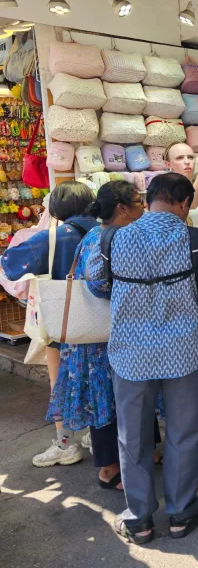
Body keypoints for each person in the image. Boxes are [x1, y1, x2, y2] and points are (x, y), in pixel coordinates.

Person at [86, 173, 198, 544]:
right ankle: (183, 514)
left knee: (132, 437)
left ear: (148, 199)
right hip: (186, 354)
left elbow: (96, 282)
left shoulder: (112, 238)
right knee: (185, 433)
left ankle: (139, 519)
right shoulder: (196, 241)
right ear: (184, 204)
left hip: (130, 356)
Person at [46, 181, 145, 489]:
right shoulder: (112, 237)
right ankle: (110, 467)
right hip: (102, 338)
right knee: (108, 400)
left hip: (111, 334)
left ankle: (142, 453)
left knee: (130, 395)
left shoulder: (92, 234)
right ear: (122, 209)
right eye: (138, 201)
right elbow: (97, 282)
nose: (143, 206)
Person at [1, 181, 97, 468]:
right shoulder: (104, 231)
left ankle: (65, 444)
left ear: (55, 208)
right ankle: (97, 434)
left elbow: (11, 264)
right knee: (99, 380)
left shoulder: (53, 237)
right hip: (102, 322)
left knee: (62, 383)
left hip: (63, 323)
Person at [162, 142, 198, 242]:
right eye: (179, 158)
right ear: (168, 164)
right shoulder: (167, 190)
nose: (187, 161)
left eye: (190, 157)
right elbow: (192, 203)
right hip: (188, 249)